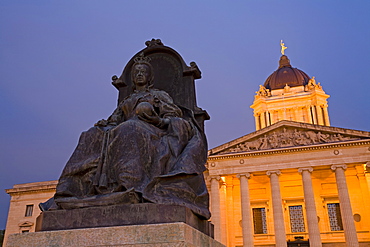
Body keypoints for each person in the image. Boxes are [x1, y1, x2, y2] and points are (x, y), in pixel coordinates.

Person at [46, 54, 210, 219]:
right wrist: (104, 125)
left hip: (153, 131)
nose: (139, 74)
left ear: (149, 76)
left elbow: (174, 116)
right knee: (89, 135)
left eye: (143, 72)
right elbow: (114, 120)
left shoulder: (158, 95)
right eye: (136, 72)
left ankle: (131, 185)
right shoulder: (127, 100)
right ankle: (70, 187)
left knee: (129, 128)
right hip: (124, 129)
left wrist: (158, 120)